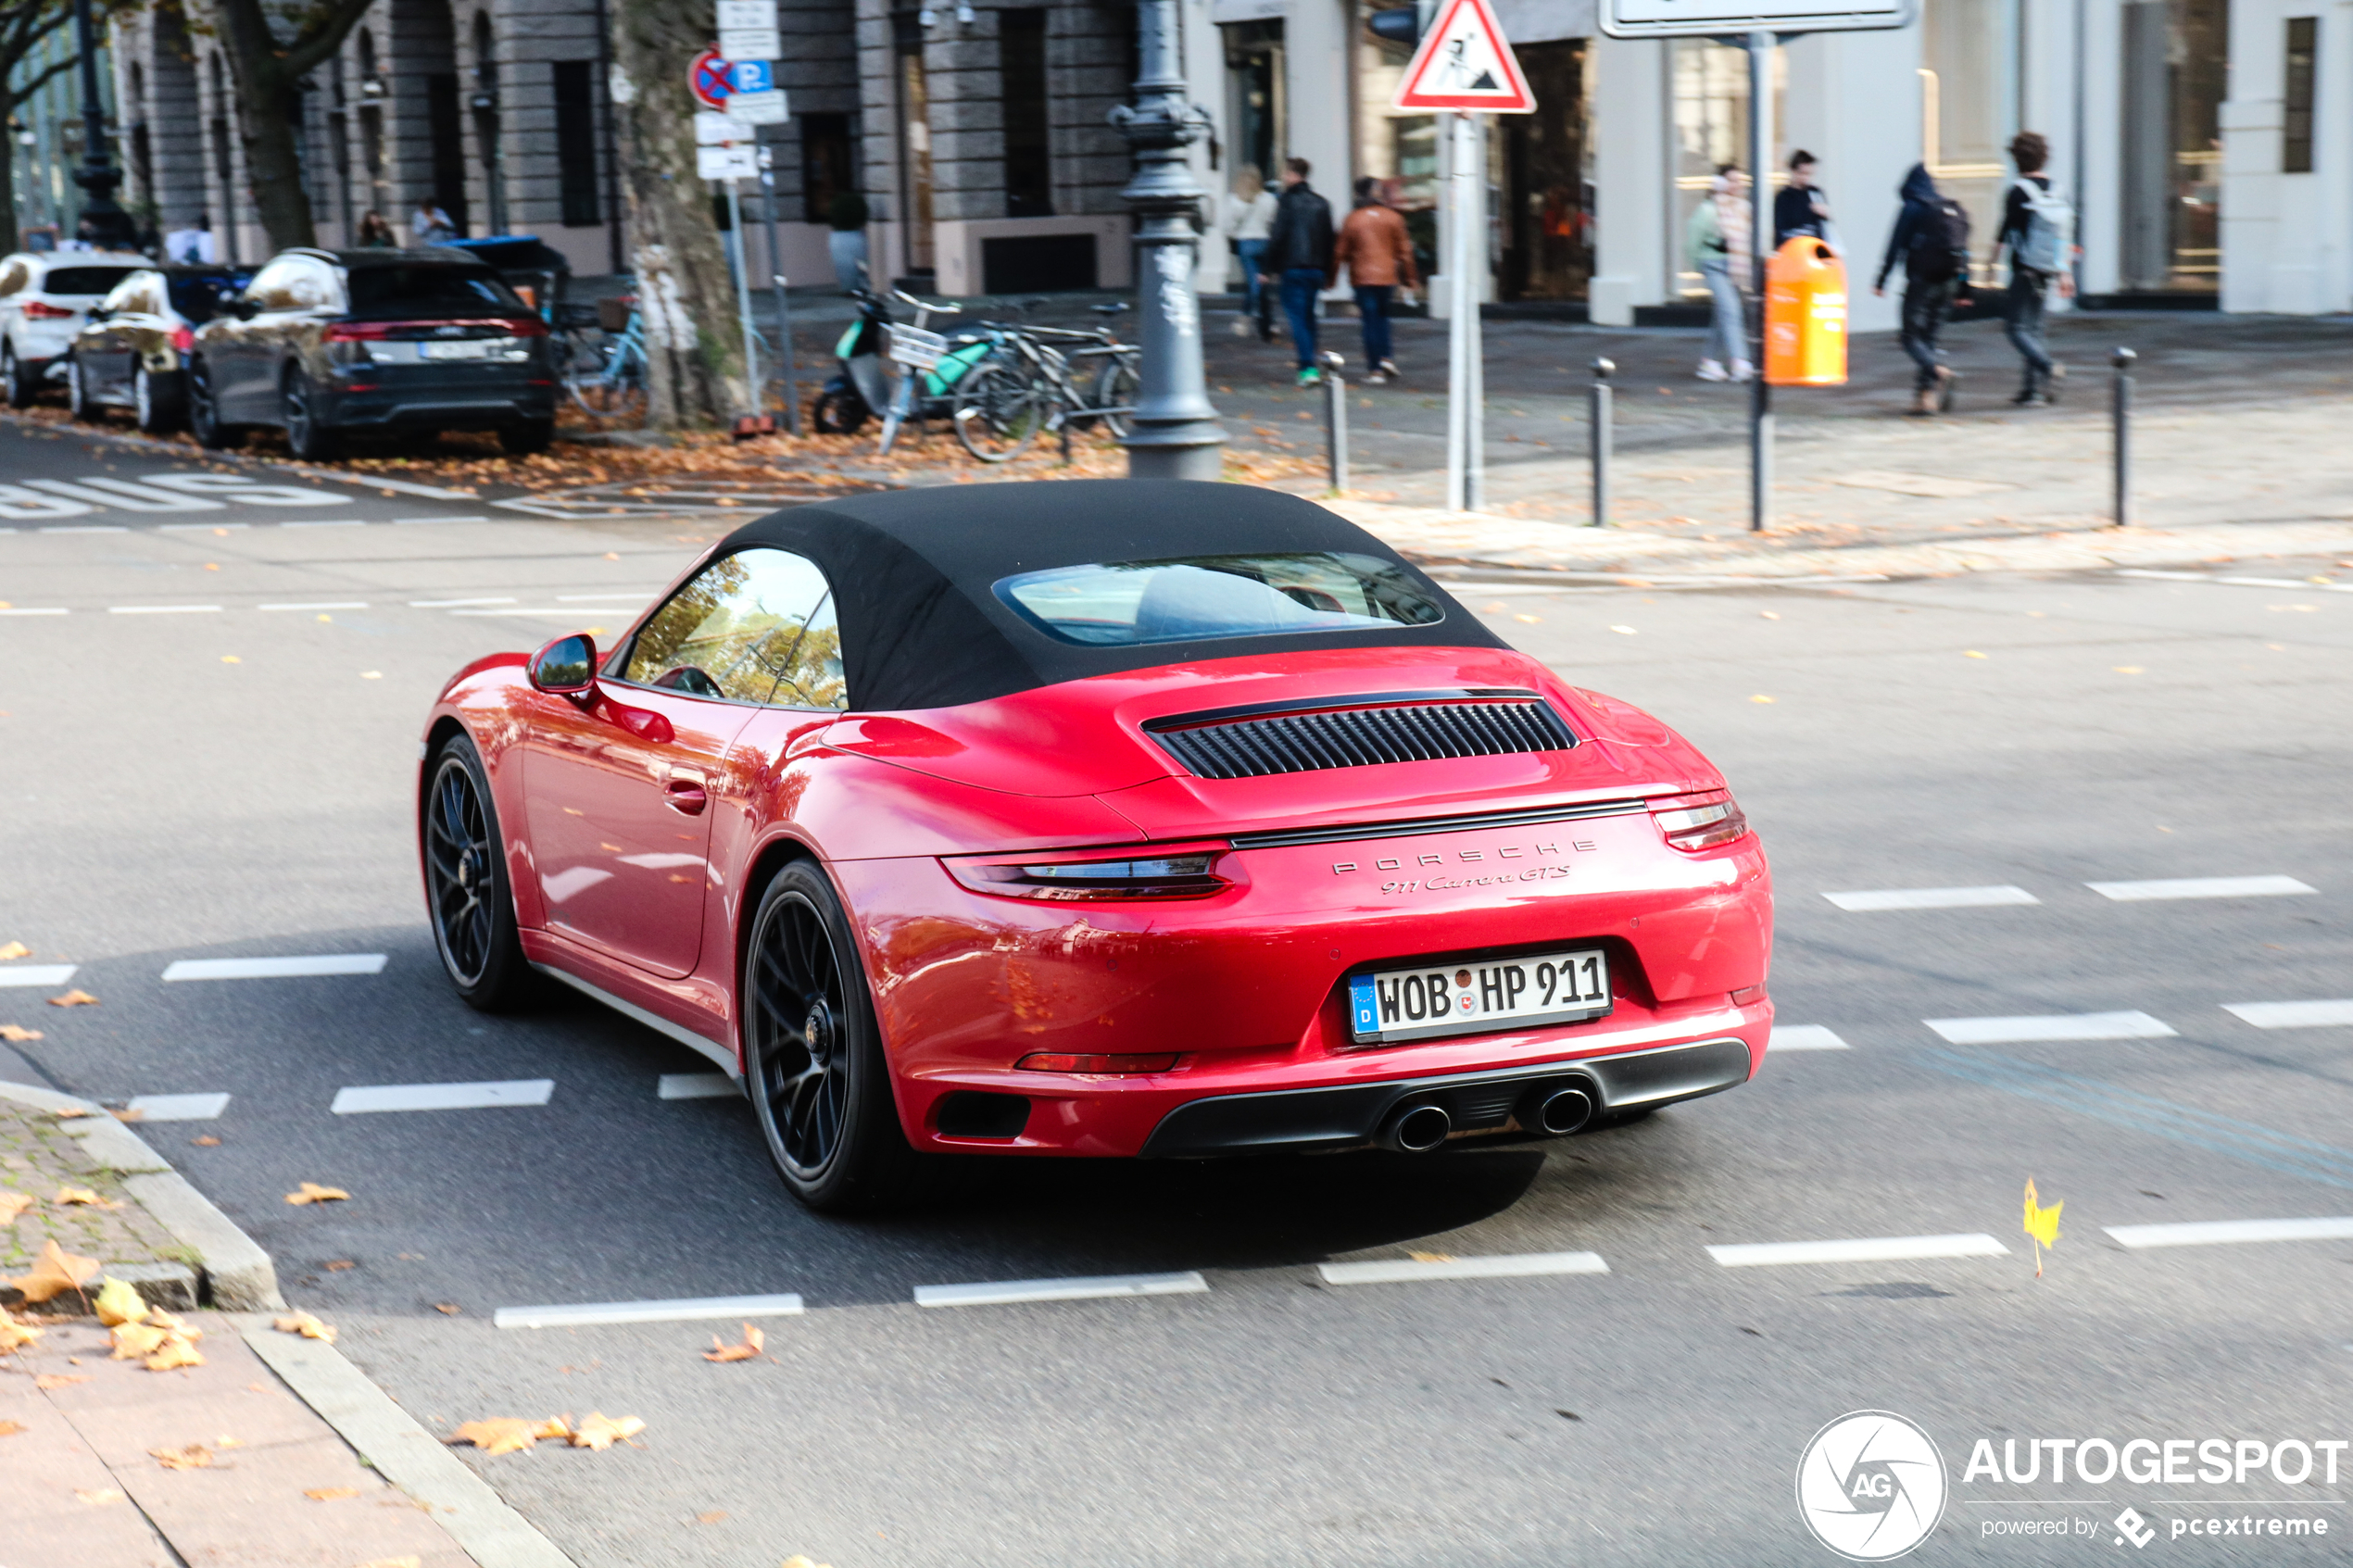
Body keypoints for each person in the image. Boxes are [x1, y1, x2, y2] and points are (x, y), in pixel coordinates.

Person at [1874, 162, 1971, 415]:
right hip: (1948, 282)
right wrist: (1964, 288)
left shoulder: (1912, 207)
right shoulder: (1950, 209)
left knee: (1909, 337)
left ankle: (1938, 371)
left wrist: (1881, 280)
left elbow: (1895, 246)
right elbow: (1963, 252)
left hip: (1922, 281)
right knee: (1929, 339)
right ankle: (1924, 400)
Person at [1994, 131, 2073, 407]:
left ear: (2016, 159)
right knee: (2035, 329)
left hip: (2025, 269)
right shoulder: (2058, 190)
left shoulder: (2017, 192)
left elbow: (2005, 231)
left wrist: (1992, 265)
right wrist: (2065, 272)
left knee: (2015, 328)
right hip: (2049, 269)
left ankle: (2048, 367)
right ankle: (2033, 391)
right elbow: (2063, 235)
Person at [1331, 176, 1416, 383]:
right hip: (1387, 277)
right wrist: (1410, 279)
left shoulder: (1353, 219)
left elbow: (1339, 252)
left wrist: (1330, 278)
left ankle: (1375, 369)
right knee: (1382, 318)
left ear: (1358, 194)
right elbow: (1405, 252)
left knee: (1369, 322)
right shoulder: (1393, 218)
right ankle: (1387, 357)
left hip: (1363, 279)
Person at [1260, 157, 1335, 387]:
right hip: (1315, 269)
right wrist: (1328, 272)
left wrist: (1267, 268)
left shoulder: (1287, 202)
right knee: (1309, 318)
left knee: (1298, 319)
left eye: (1286, 173)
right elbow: (1329, 240)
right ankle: (1312, 361)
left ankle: (1307, 367)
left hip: (1293, 268)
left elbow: (1278, 237)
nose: (1283, 178)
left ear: (1294, 175)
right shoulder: (1322, 203)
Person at [1684, 166, 1752, 383]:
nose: (1737, 185)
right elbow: (1692, 242)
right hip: (1713, 265)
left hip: (1736, 267)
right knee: (1731, 311)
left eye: (1739, 180)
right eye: (1731, 180)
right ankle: (1740, 362)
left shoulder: (1744, 209)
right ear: (1720, 183)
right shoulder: (1709, 210)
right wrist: (1700, 266)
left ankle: (1709, 362)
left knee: (1723, 315)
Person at [1222, 165, 1277, 341]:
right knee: (1262, 284)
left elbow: (1227, 227)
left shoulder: (1234, 200)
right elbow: (1273, 221)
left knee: (1254, 284)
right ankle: (1268, 321)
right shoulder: (1268, 199)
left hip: (1246, 244)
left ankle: (1245, 317)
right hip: (1265, 242)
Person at [1774, 150, 1831, 248]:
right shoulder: (1784, 197)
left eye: (1809, 174)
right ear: (1793, 171)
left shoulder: (1815, 194)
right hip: (1793, 250)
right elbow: (1780, 230)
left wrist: (1824, 214)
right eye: (1802, 173)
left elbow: (1824, 227)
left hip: (1814, 248)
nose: (1806, 178)